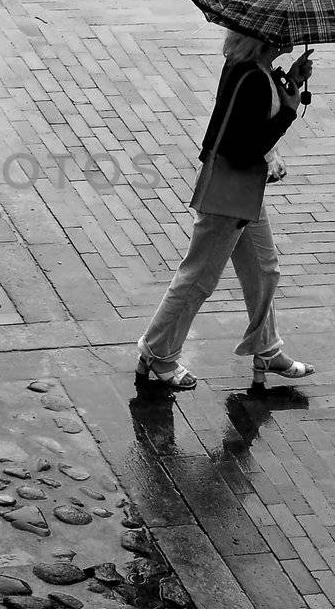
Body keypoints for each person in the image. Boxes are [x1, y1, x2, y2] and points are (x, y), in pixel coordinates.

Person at [135, 29, 316, 393]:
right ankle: (158, 353)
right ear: (266, 40)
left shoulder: (248, 68)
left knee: (264, 269)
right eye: (283, 32)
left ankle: (266, 349)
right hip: (229, 196)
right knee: (199, 278)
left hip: (245, 192)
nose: (290, 34)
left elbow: (244, 129)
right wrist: (290, 112)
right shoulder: (252, 79)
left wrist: (291, 82)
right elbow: (243, 148)